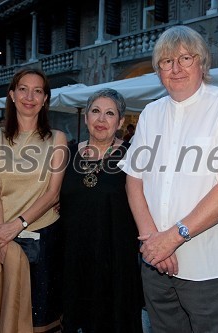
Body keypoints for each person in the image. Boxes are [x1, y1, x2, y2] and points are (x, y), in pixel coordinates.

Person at [118, 25, 218, 333]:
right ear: (158, 70)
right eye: (166, 62)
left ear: (202, 62)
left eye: (185, 58)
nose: (176, 68)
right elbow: (134, 179)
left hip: (213, 265)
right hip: (156, 262)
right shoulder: (150, 113)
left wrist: (171, 239)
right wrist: (153, 241)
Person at [0, 67, 67, 332]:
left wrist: (16, 224)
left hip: (45, 237)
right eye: (23, 89)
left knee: (41, 317)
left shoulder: (57, 139)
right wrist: (1, 239)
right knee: (7, 312)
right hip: (3, 236)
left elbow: (52, 193)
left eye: (38, 91)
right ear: (11, 95)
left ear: (44, 99)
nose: (29, 96)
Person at [60, 88, 143, 332]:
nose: (101, 119)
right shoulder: (69, 154)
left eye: (109, 113)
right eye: (95, 111)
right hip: (74, 258)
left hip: (115, 260)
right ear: (86, 117)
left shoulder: (132, 157)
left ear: (120, 121)